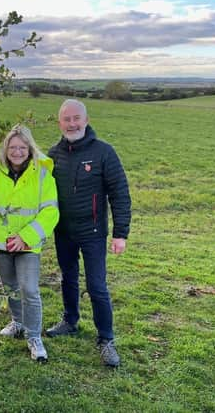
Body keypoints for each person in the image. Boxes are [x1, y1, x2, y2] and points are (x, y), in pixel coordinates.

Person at [46, 99, 131, 367]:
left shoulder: (104, 152)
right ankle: (70, 321)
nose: (72, 124)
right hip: (64, 231)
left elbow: (120, 194)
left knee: (97, 286)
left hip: (94, 231)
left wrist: (121, 233)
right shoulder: (52, 155)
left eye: (76, 118)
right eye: (66, 119)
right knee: (67, 278)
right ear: (59, 122)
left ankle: (106, 339)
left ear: (86, 119)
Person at [0, 125, 59, 362]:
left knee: (29, 289)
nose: (17, 152)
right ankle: (18, 323)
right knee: (10, 287)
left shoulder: (42, 175)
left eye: (22, 147)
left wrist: (25, 237)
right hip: (1, 243)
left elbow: (50, 211)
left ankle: (34, 337)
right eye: (13, 147)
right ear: (5, 149)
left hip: (28, 245)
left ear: (29, 149)